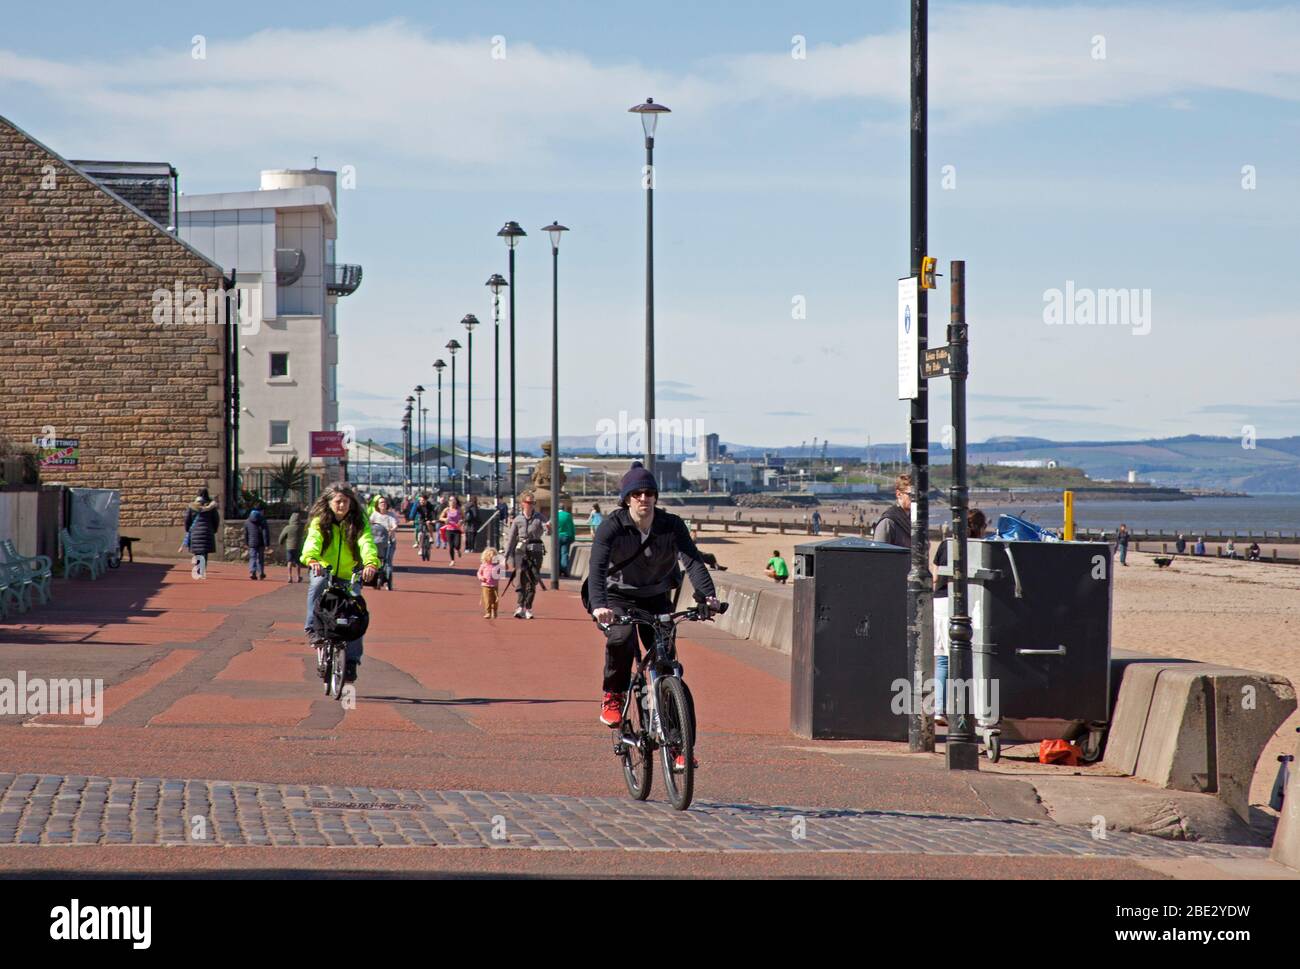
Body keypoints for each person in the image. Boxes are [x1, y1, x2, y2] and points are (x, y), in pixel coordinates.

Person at [589, 463, 720, 771]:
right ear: (627, 498)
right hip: (617, 597)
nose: (644, 499)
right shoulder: (612, 526)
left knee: (666, 666)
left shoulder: (671, 525)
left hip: (655, 596)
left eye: (649, 493)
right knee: (620, 638)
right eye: (637, 493)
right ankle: (614, 695)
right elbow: (596, 569)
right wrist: (599, 606)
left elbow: (692, 560)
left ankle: (677, 747)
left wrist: (707, 596)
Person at [300, 484, 380, 684]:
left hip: (349, 572)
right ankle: (312, 629)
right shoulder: (320, 522)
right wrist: (312, 559)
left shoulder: (358, 521)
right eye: (338, 501)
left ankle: (352, 661)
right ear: (329, 503)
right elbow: (312, 542)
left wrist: (370, 563)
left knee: (354, 614)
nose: (342, 505)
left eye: (346, 501)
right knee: (317, 585)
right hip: (324, 569)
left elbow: (366, 542)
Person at [932, 509, 987, 726]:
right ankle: (969, 708)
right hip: (961, 603)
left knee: (943, 659)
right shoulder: (977, 547)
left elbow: (936, 574)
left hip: (940, 602)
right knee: (972, 657)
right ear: (980, 528)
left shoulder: (946, 543)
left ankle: (938, 708)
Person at [503, 491, 547, 619]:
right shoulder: (518, 519)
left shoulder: (539, 517)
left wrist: (548, 527)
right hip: (520, 551)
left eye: (533, 502)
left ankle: (528, 607)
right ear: (523, 503)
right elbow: (511, 538)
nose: (531, 505)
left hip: (536, 551)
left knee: (533, 579)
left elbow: (546, 529)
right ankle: (519, 606)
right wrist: (506, 557)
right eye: (528, 502)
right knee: (520, 578)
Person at [184, 488, 220, 579]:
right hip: (207, 531)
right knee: (204, 553)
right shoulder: (211, 507)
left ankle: (199, 569)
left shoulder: (192, 506)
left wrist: (188, 530)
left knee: (197, 552)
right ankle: (202, 571)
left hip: (195, 531)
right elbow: (216, 519)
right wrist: (214, 530)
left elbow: (187, 520)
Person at [873, 473, 912, 548]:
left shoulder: (915, 520)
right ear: (898, 494)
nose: (915, 499)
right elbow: (878, 554)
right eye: (911, 495)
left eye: (918, 495)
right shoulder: (888, 522)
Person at [369, 495, 399, 589]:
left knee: (388, 561)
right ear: (377, 505)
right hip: (375, 541)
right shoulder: (374, 514)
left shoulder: (391, 515)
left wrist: (393, 529)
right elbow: (369, 523)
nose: (383, 504)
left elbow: (395, 524)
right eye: (381, 502)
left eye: (385, 502)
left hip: (389, 541)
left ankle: (388, 580)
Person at [278, 509, 306, 583]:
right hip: (298, 547)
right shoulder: (300, 527)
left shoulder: (288, 527)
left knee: (289, 561)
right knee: (297, 562)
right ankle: (298, 576)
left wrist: (280, 543)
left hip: (289, 547)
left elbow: (282, 536)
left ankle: (289, 576)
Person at [244, 507, 270, 580]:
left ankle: (252, 572)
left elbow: (246, 533)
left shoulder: (247, 521)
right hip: (261, 542)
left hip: (251, 542)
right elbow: (265, 533)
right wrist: (267, 544)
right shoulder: (263, 521)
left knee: (252, 557)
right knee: (260, 558)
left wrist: (246, 542)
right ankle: (261, 572)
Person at [478, 547, 502, 619]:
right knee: (487, 600)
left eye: (493, 557)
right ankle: (488, 612)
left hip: (495, 586)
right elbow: (479, 573)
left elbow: (502, 572)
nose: (491, 558)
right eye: (490, 556)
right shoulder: (484, 565)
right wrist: (481, 578)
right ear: (486, 557)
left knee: (495, 600)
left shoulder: (497, 565)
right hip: (486, 585)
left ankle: (495, 612)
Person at [440, 495, 465, 565]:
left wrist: (461, 521)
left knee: (457, 545)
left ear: (456, 501)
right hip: (449, 529)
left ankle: (458, 550)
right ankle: (452, 560)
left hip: (457, 529)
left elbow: (463, 517)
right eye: (451, 500)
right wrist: (445, 519)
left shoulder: (459, 509)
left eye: (453, 500)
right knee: (451, 546)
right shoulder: (446, 509)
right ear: (449, 502)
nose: (452, 502)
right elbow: (440, 518)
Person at [557, 503, 576, 577]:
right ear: (564, 508)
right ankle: (564, 569)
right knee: (564, 553)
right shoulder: (568, 515)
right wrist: (573, 536)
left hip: (557, 536)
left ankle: (557, 570)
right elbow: (572, 527)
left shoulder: (555, 515)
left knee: (557, 554)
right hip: (566, 536)